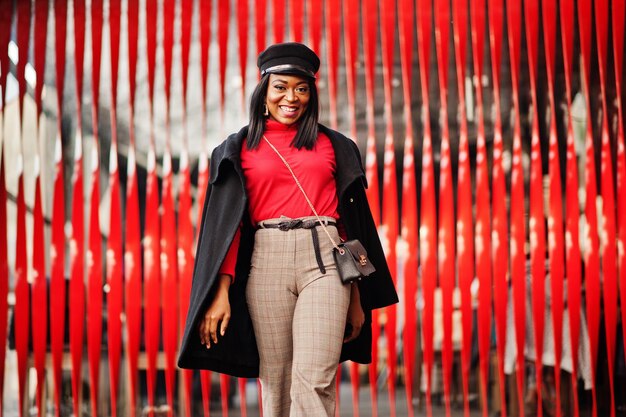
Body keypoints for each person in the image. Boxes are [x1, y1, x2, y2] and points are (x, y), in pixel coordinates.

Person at [178, 42, 398, 417]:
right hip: (266, 262)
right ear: (263, 92)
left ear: (312, 94)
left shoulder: (336, 146)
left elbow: (350, 227)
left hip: (326, 262)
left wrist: (358, 297)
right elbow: (230, 227)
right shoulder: (236, 149)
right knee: (276, 383)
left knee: (314, 379)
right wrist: (221, 292)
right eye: (280, 86)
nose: (290, 97)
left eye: (301, 87)